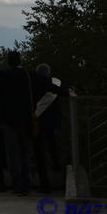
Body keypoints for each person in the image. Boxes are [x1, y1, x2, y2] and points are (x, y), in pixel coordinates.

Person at [0, 51, 72, 196]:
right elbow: (48, 85)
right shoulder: (28, 75)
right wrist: (66, 92)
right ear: (20, 60)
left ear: (8, 61)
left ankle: (17, 185)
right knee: (24, 153)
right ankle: (26, 184)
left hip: (8, 119)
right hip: (25, 119)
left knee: (13, 153)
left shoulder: (3, 75)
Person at [33, 63, 65, 192]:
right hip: (53, 123)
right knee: (54, 149)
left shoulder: (34, 84)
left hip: (38, 122)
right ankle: (58, 168)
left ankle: (44, 184)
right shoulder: (56, 83)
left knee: (40, 154)